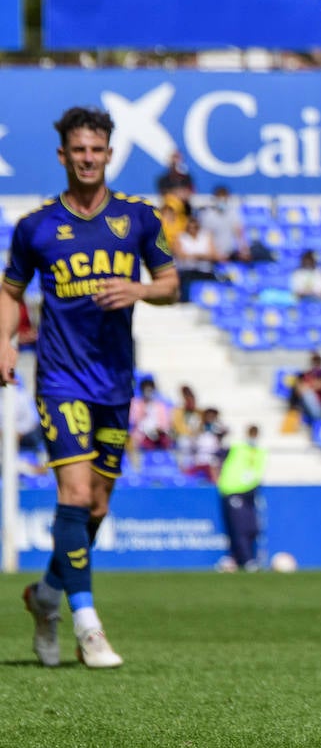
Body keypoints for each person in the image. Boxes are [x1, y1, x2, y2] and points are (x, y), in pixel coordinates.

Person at [1, 104, 179, 669]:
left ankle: (46, 595)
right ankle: (88, 625)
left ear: (109, 154)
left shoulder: (139, 219)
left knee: (97, 507)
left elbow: (172, 283)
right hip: (58, 378)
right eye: (78, 149)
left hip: (114, 381)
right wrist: (5, 341)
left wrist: (139, 291)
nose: (87, 158)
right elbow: (10, 292)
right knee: (74, 496)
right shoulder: (35, 228)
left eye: (96, 149)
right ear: (63, 155)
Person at [216, 424, 267, 572]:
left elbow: (258, 471)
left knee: (251, 528)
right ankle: (245, 560)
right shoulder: (237, 448)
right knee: (239, 528)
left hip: (249, 492)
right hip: (233, 491)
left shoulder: (260, 451)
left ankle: (244, 558)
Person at [174, 214, 223, 302]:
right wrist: (200, 256)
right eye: (190, 227)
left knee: (216, 283)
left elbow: (214, 255)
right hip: (188, 271)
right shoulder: (181, 237)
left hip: (205, 271)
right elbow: (181, 255)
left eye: (195, 227)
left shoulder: (206, 236)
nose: (193, 229)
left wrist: (195, 256)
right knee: (186, 284)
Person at [198, 184, 251, 264]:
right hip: (213, 255)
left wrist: (244, 251)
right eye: (219, 198)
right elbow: (207, 236)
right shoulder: (208, 215)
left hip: (230, 253)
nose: (222, 201)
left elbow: (239, 233)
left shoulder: (233, 213)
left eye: (224, 199)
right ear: (215, 199)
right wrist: (215, 254)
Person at [128, 376, 175, 460]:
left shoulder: (160, 405)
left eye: (150, 390)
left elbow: (165, 424)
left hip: (158, 435)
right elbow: (132, 421)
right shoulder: (135, 404)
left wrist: (159, 430)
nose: (148, 393)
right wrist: (143, 411)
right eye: (146, 390)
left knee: (166, 441)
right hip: (141, 435)